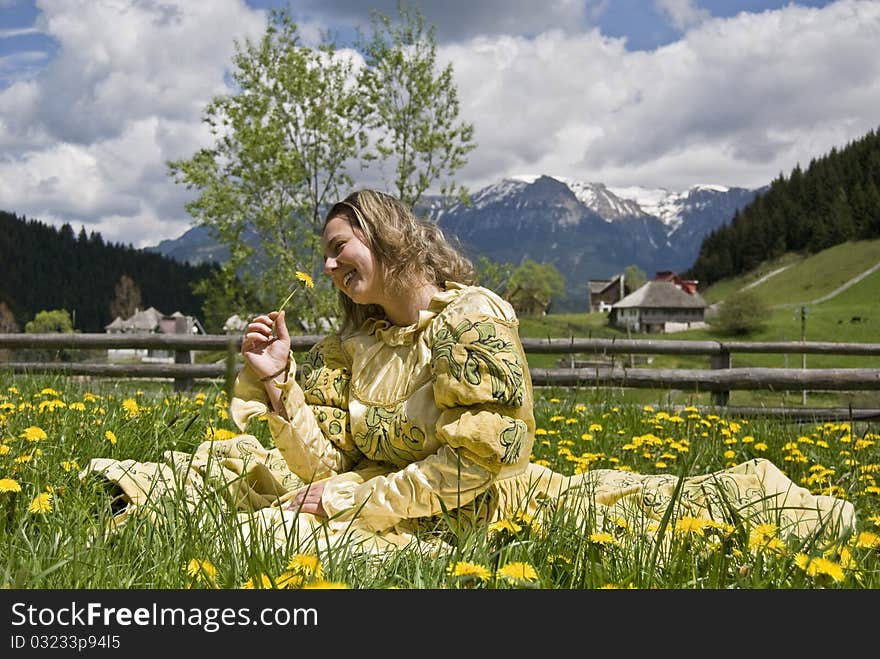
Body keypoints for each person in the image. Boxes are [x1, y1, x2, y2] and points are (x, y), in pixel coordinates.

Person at [82, 189, 856, 557]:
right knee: (249, 473)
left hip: (476, 507)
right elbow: (331, 466)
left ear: (385, 237)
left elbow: (475, 465)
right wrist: (281, 383)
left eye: (339, 245)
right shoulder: (362, 340)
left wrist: (349, 498)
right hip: (394, 499)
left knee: (680, 516)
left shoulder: (470, 320)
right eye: (323, 252)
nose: (326, 264)